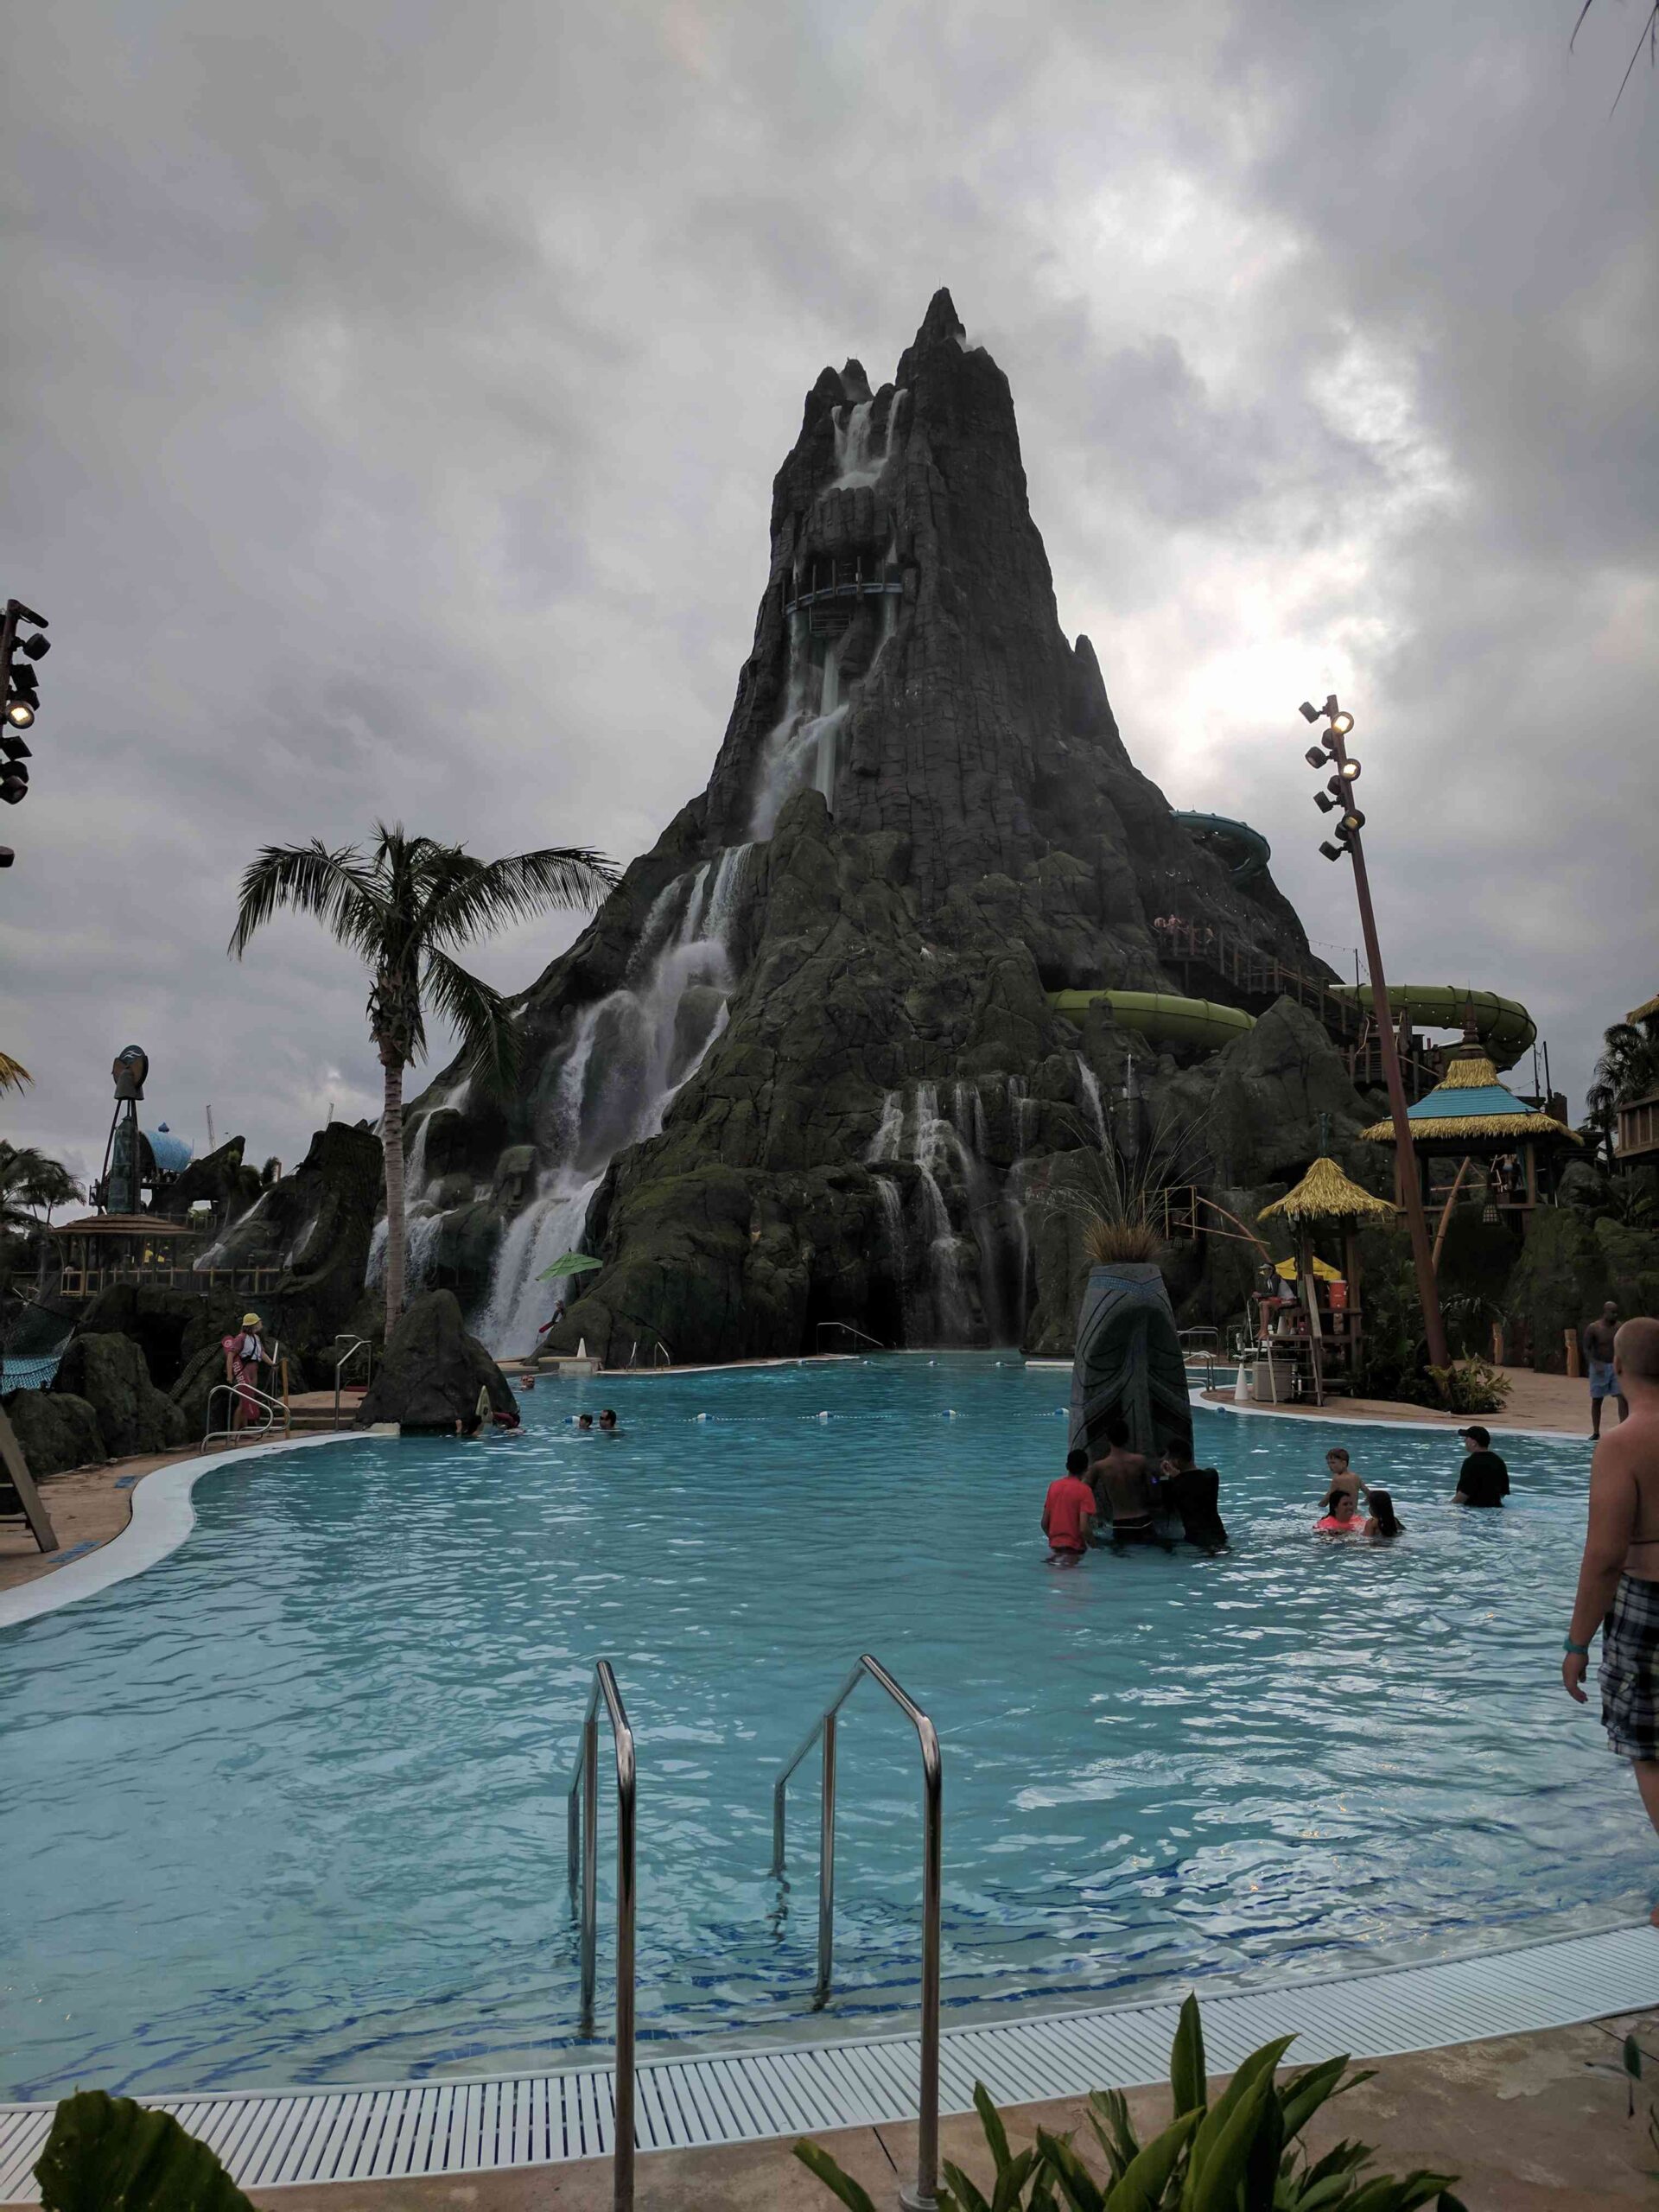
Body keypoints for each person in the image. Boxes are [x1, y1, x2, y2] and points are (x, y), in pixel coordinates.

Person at [1563, 1317, 1659, 1918]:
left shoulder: (1623, 1443)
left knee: (1650, 1750)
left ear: (1617, 1368)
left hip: (1648, 1605)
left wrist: (1577, 1645)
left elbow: (1603, 1558)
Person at [1088, 1414, 1173, 1550]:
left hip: (1121, 1524)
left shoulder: (1100, 1466)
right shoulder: (1140, 1461)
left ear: (1108, 1439)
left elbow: (1083, 1490)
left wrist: (1094, 1512)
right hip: (1143, 1520)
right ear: (1127, 1438)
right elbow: (1154, 1481)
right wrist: (1156, 1483)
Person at [1158, 1441, 1228, 1550]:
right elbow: (1195, 1480)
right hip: (1219, 1534)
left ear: (1177, 1462)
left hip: (1196, 1540)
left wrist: (1166, 1477)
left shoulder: (1175, 1485)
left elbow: (1167, 1505)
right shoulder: (1212, 1475)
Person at [1042, 1448, 1097, 1566]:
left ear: (1067, 1466)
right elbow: (1084, 1528)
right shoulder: (1085, 1491)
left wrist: (1056, 1539)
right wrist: (1095, 1546)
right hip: (1074, 1550)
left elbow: (1044, 1524)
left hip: (1055, 1548)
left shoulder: (1054, 1486)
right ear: (1086, 1469)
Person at [1586, 1302, 1629, 1439]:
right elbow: (1586, 1348)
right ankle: (1596, 1431)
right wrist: (1595, 1363)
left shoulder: (1620, 1327)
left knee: (1622, 1397)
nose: (1615, 1315)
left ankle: (1624, 1430)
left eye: (1617, 1312)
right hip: (1599, 1366)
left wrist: (1622, 1363)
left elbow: (1624, 1346)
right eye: (1613, 1312)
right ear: (1605, 1312)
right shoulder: (1594, 1328)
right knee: (1597, 1399)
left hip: (1615, 1365)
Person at [222, 1311, 269, 1431]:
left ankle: (245, 1429)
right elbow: (231, 1355)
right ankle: (235, 1432)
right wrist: (229, 1374)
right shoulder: (241, 1338)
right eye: (259, 1322)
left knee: (248, 1401)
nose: (261, 1323)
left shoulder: (256, 1338)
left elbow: (261, 1353)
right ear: (253, 1324)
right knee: (243, 1403)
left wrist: (272, 1364)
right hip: (245, 1370)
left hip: (254, 1369)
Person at [1452, 1425, 1510, 1508]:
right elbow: (1503, 1493)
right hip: (1495, 1510)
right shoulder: (1499, 1461)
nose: (1464, 1440)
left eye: (1467, 1437)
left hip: (1473, 1510)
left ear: (1474, 1443)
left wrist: (1448, 1507)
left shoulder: (1470, 1462)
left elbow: (1464, 1494)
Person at [1320, 1447, 1364, 1519]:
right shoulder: (1356, 1477)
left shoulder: (1337, 1478)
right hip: (1355, 1514)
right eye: (1328, 1463)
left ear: (1344, 1463)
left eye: (1333, 1462)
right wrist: (1363, 1504)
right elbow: (1369, 1495)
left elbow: (1326, 1500)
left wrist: (1319, 1506)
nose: (1330, 1466)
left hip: (1342, 1515)